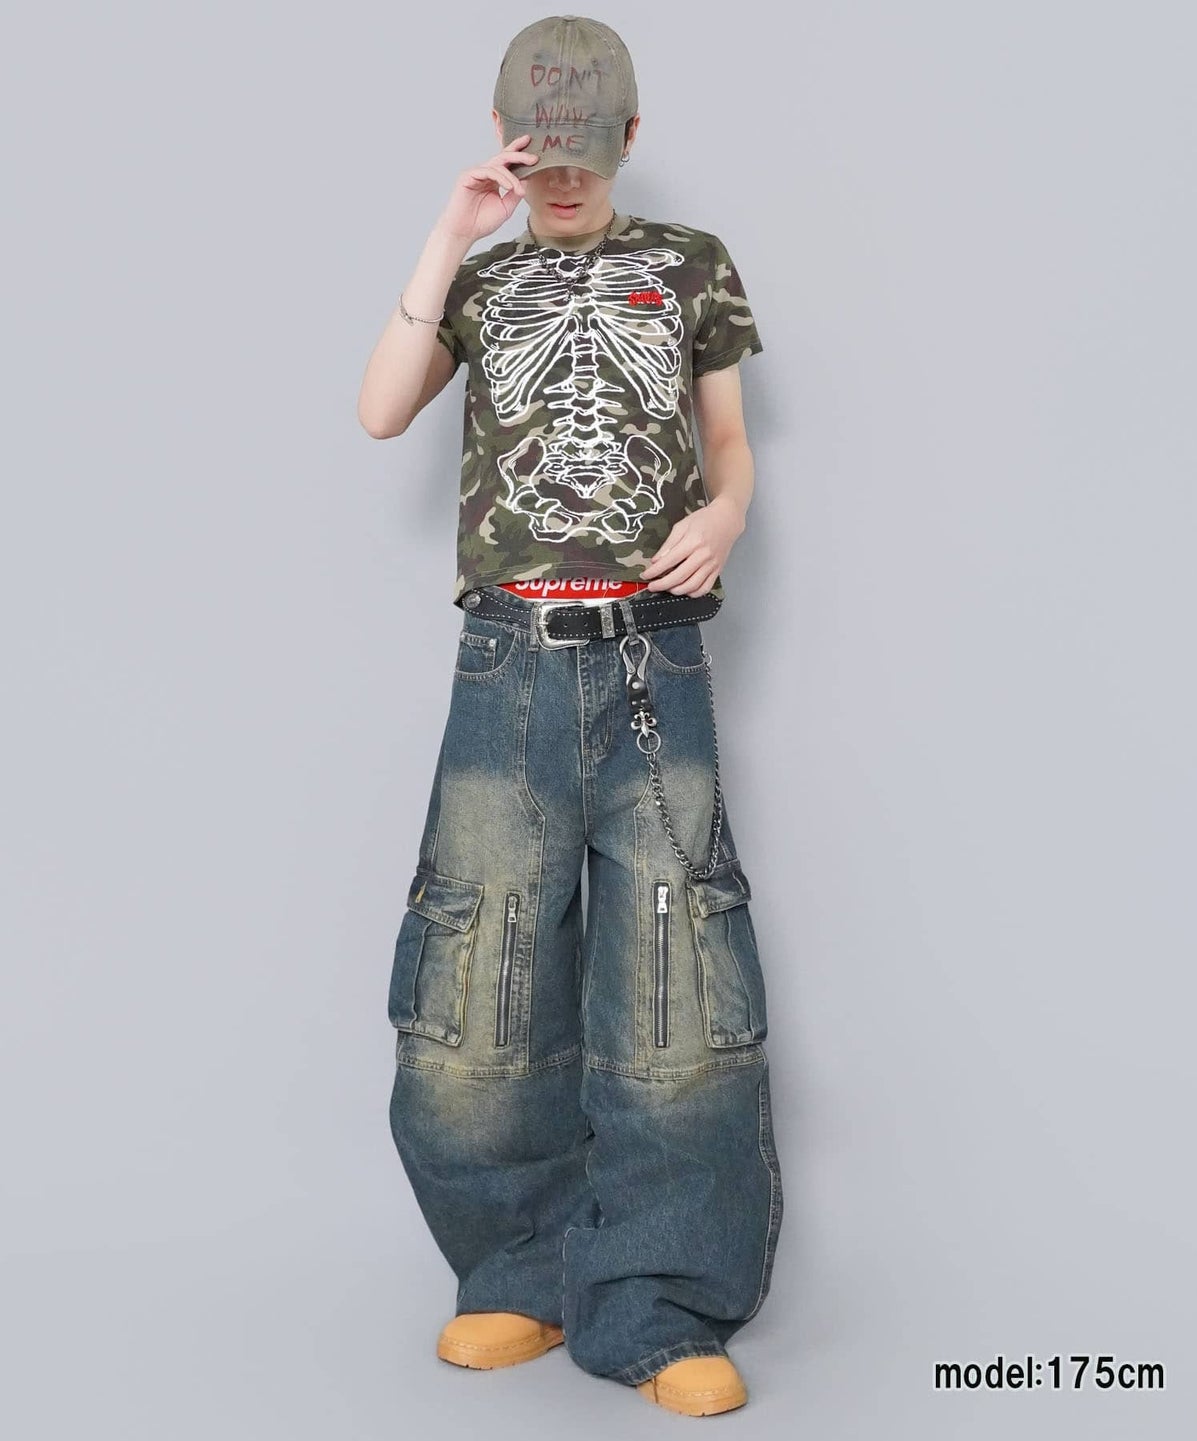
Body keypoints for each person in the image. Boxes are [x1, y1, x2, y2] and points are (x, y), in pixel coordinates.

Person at [357, 15, 783, 1418]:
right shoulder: (481, 275)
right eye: (542, 154)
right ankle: (519, 1274)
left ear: (631, 138)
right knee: (480, 976)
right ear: (505, 140)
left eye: (588, 154)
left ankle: (658, 1298)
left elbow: (730, 442)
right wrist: (449, 231)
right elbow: (379, 410)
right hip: (511, 659)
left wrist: (729, 512)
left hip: (655, 657)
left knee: (673, 983)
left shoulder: (691, 263)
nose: (564, 178)